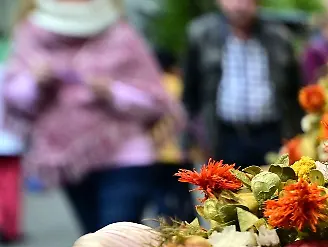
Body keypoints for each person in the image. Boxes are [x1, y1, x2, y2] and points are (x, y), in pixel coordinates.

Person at [3, 0, 184, 234]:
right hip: (69, 159)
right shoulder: (32, 37)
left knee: (115, 235)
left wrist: (112, 91)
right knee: (93, 238)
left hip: (125, 156)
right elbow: (14, 97)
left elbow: (155, 99)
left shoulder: (122, 36)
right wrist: (34, 81)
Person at [182, 0, 302, 169]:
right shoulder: (203, 35)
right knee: (227, 184)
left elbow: (295, 92)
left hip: (271, 134)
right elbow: (190, 94)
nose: (239, 6)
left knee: (275, 183)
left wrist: (297, 137)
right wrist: (189, 139)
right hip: (225, 136)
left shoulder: (279, 36)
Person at [150, 50, 196, 223]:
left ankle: (166, 225)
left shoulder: (151, 85)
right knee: (183, 193)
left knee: (160, 193)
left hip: (156, 151)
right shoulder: (178, 83)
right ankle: (189, 225)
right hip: (180, 150)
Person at [0, 61, 23, 244]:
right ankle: (9, 228)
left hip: (9, 140)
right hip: (9, 140)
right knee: (9, 186)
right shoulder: (10, 69)